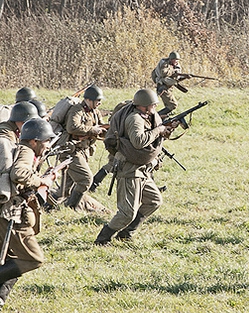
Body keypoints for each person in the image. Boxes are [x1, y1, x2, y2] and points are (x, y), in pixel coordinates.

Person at [94, 89, 177, 245]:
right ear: (146, 106)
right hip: (129, 169)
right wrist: (158, 130)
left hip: (142, 169)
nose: (156, 107)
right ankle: (102, 239)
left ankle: (126, 234)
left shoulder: (147, 116)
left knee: (154, 201)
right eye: (154, 104)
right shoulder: (134, 119)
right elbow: (139, 141)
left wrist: (165, 130)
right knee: (127, 213)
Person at [0, 118, 58, 307]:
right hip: (13, 215)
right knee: (33, 259)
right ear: (34, 141)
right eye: (46, 141)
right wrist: (43, 182)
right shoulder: (26, 151)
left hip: (9, 212)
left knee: (9, 258)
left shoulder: (26, 151)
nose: (48, 145)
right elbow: (19, 174)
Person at [59, 85, 107, 210]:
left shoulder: (95, 112)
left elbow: (101, 126)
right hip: (71, 151)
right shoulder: (77, 110)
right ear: (88, 100)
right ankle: (71, 207)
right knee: (86, 180)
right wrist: (93, 130)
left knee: (65, 188)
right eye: (97, 100)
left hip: (83, 151)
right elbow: (72, 127)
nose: (99, 103)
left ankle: (52, 206)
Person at [151, 51, 182, 117]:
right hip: (162, 86)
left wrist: (185, 77)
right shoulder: (164, 63)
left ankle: (163, 118)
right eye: (175, 60)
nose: (176, 61)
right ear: (171, 59)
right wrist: (173, 72)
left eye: (177, 60)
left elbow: (176, 78)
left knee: (168, 106)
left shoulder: (177, 66)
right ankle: (156, 117)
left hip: (169, 87)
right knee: (173, 105)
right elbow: (164, 73)